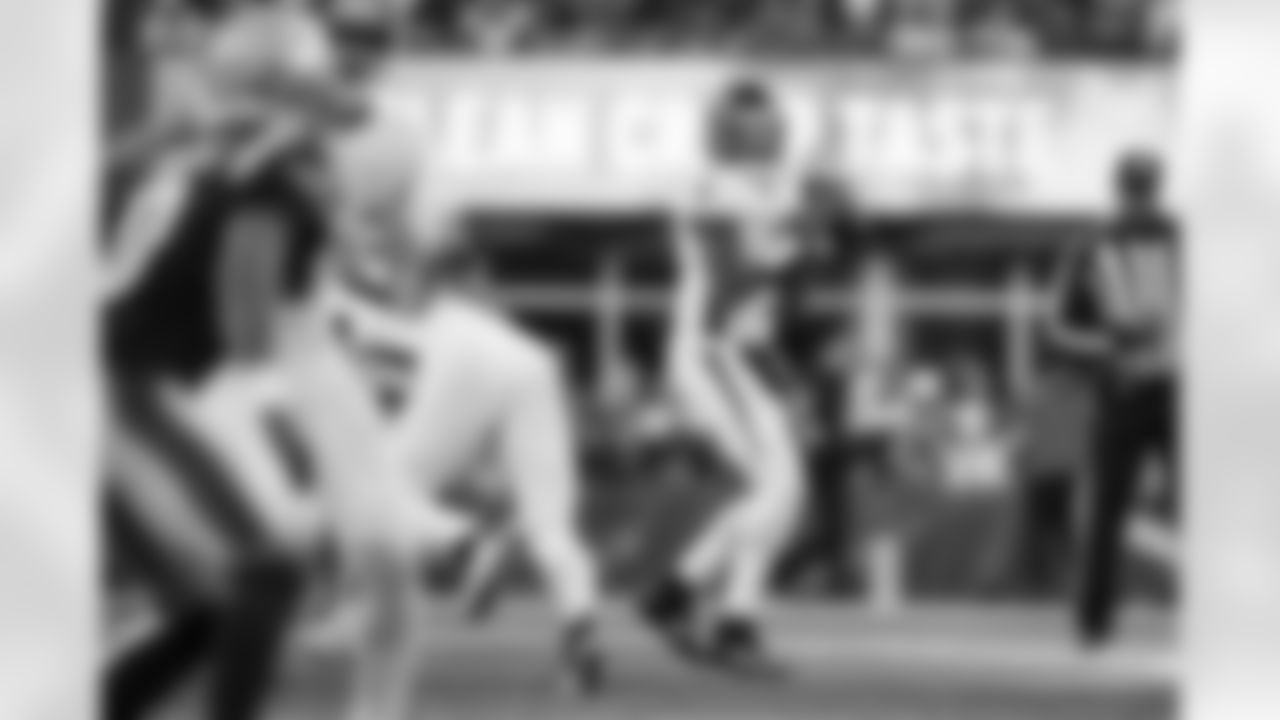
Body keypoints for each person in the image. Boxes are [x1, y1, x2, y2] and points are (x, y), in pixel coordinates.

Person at [639, 77, 838, 675]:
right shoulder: (709, 187)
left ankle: (696, 605)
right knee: (778, 490)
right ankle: (718, 617)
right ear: (730, 131)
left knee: (781, 492)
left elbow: (779, 296)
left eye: (772, 120)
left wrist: (806, 244)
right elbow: (731, 285)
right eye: (757, 122)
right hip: (714, 347)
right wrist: (800, 243)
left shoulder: (766, 186)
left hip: (741, 348)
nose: (772, 131)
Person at [1046, 152, 1179, 648]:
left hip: (1173, 390)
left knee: (1192, 508)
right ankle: (1094, 620)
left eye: (1145, 186)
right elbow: (1056, 328)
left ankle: (1098, 622)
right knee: (1107, 508)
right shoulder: (1091, 246)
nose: (1141, 195)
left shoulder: (1184, 242)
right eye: (1136, 186)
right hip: (1126, 388)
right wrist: (1111, 345)